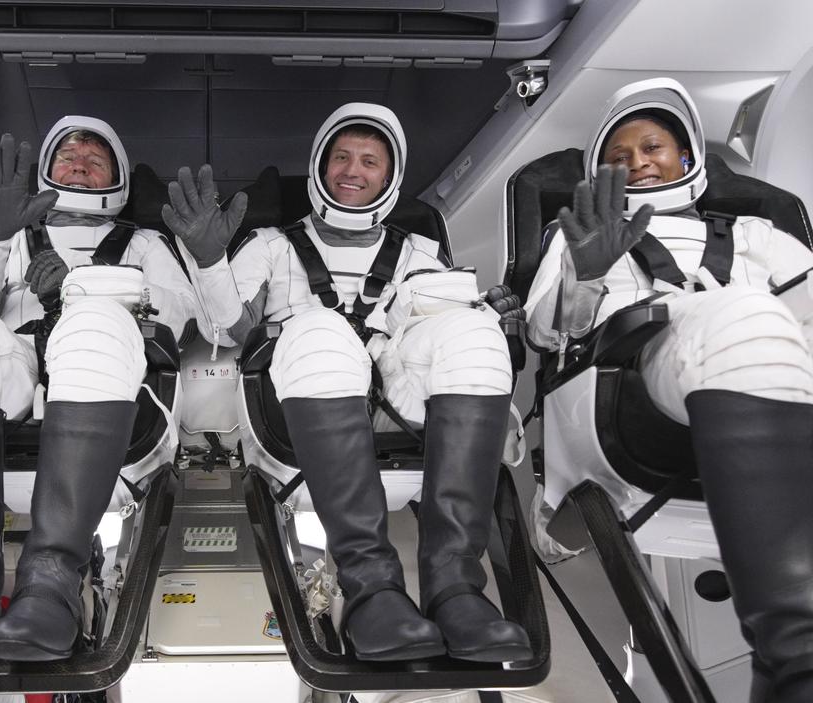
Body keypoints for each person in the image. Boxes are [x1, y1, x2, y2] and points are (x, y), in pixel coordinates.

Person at [163, 102, 531, 662]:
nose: (352, 170)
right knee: (319, 328)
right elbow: (225, 329)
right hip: (296, 398)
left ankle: (456, 588)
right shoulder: (271, 244)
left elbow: (433, 334)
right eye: (340, 157)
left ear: (390, 176)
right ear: (320, 166)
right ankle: (371, 591)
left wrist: (488, 318)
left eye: (369, 161)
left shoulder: (420, 253)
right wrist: (212, 261)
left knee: (471, 331)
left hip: (395, 400)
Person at [524, 77, 813, 702]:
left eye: (652, 147)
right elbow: (547, 338)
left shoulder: (761, 238)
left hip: (765, 382)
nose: (638, 164)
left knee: (764, 322)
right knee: (747, 315)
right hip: (622, 395)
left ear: (686, 158)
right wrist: (588, 276)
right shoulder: (578, 237)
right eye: (618, 159)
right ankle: (800, 662)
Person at [0, 117, 197, 662]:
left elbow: (177, 317)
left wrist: (78, 295)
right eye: (68, 158)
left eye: (95, 159)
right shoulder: (5, 229)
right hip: (13, 379)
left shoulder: (145, 243)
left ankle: (51, 585)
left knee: (95, 322)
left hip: (108, 385)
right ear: (46, 172)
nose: (80, 165)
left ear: (117, 177)